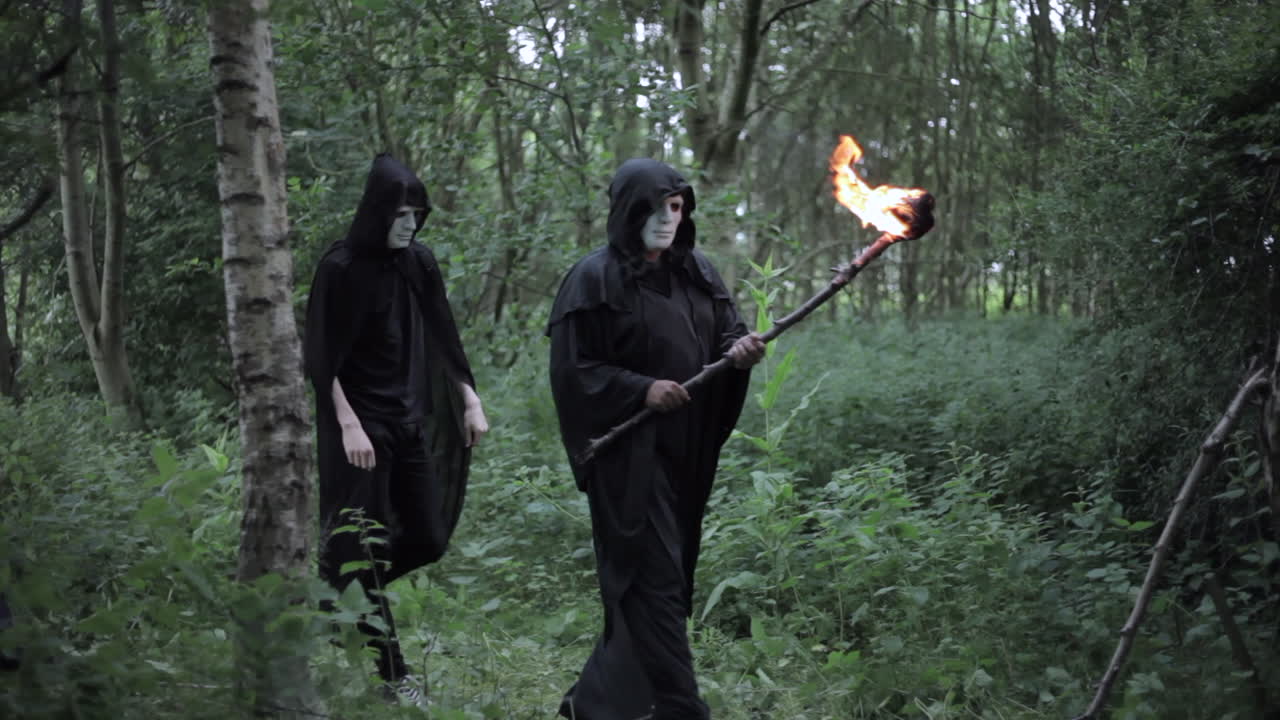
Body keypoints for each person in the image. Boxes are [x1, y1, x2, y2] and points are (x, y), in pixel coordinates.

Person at [547, 158, 766, 719]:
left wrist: (739, 352)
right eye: (656, 208)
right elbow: (575, 371)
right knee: (655, 581)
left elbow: (728, 332)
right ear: (629, 211)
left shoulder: (697, 271)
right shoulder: (593, 279)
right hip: (628, 461)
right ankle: (680, 708)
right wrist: (640, 389)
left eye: (677, 207)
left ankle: (591, 705)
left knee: (654, 581)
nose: (669, 218)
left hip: (683, 454)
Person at [303, 153, 488, 704]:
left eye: (417, 215)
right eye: (401, 215)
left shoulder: (418, 262)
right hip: (357, 427)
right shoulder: (339, 268)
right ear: (377, 213)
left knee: (427, 537)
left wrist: (469, 399)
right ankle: (394, 676)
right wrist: (348, 425)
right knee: (361, 546)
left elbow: (443, 333)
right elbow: (321, 358)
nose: (411, 225)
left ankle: (338, 593)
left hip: (407, 420)